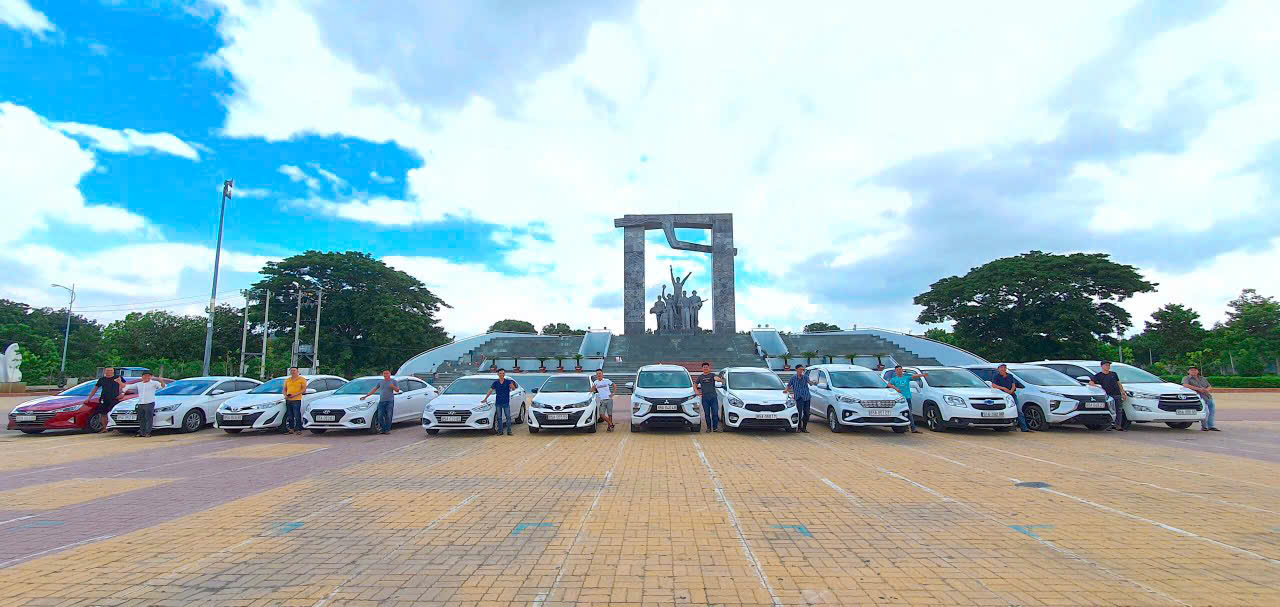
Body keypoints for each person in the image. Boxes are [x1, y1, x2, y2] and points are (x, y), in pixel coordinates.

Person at [886, 365, 927, 433]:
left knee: (909, 413)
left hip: (907, 398)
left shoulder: (906, 377)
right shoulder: (894, 379)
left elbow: (914, 376)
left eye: (900, 369)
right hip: (899, 399)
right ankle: (906, 427)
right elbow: (889, 385)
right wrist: (895, 388)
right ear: (896, 371)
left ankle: (913, 428)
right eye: (898, 370)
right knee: (902, 413)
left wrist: (922, 375)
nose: (900, 371)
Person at [122, 371, 163, 438]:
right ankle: (142, 432)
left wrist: (161, 381)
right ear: (142, 376)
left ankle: (148, 432)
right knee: (141, 419)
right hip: (141, 403)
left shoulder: (154, 383)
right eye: (145, 375)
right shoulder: (139, 384)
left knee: (149, 418)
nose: (146, 377)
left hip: (149, 403)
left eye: (148, 375)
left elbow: (162, 387)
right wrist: (119, 382)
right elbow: (127, 386)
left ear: (150, 376)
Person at [1089, 360, 1126, 431]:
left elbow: (1119, 383)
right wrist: (1098, 387)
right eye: (1106, 365)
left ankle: (1118, 425)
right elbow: (1091, 383)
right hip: (1107, 395)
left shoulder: (1114, 374)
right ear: (1102, 366)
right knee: (1108, 410)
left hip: (1116, 394)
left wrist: (1123, 392)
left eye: (1108, 365)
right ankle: (1108, 425)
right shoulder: (1098, 375)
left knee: (1119, 410)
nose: (1108, 367)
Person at [990, 364, 1029, 432]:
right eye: (1001, 368)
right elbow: (993, 385)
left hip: (1012, 395)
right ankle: (1010, 427)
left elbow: (1013, 385)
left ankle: (1024, 428)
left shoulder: (1010, 376)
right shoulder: (996, 376)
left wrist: (1011, 391)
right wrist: (1003, 388)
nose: (1003, 369)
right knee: (1007, 411)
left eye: (1004, 367)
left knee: (1019, 410)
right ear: (998, 369)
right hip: (1002, 396)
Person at [85, 367, 125, 433]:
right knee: (103, 414)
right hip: (104, 398)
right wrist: (89, 398)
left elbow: (124, 386)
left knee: (113, 413)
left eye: (110, 370)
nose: (109, 372)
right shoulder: (102, 379)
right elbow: (95, 389)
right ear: (105, 371)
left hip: (114, 398)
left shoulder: (118, 377)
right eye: (107, 370)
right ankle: (104, 428)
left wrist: (122, 394)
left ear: (113, 371)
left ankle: (115, 428)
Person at [361, 370, 401, 434]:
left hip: (389, 401)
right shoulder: (381, 382)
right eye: (384, 374)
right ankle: (383, 429)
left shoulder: (394, 381)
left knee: (389, 416)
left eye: (387, 373)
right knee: (380, 416)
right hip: (382, 401)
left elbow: (397, 390)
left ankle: (387, 430)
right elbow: (374, 389)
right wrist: (366, 396)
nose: (385, 375)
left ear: (390, 374)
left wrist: (393, 387)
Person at [482, 369, 518, 436]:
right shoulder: (496, 382)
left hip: (506, 402)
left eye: (503, 373)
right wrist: (485, 398)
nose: (502, 375)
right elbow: (490, 390)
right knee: (499, 417)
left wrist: (512, 386)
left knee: (508, 417)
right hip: (498, 402)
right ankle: (500, 431)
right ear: (498, 374)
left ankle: (509, 431)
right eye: (500, 373)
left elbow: (513, 388)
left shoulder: (508, 381)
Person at [1182, 366, 1218, 431]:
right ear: (1188, 371)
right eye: (1191, 370)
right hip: (1199, 397)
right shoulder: (1186, 378)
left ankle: (1211, 426)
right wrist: (1198, 389)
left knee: (1211, 412)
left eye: (1195, 370)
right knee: (1205, 412)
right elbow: (1185, 385)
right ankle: (1204, 426)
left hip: (1207, 396)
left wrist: (1207, 390)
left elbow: (1209, 386)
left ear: (1198, 371)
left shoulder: (1202, 378)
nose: (1193, 371)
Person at [694, 362, 723, 432]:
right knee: (707, 414)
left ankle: (715, 428)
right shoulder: (700, 377)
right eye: (704, 367)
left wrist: (719, 379)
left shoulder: (712, 375)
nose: (705, 368)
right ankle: (708, 428)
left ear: (709, 368)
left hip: (713, 397)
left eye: (707, 367)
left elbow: (717, 378)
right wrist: (697, 393)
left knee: (715, 413)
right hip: (705, 398)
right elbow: (695, 385)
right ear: (702, 368)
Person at [784, 364, 812, 432]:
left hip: (806, 397)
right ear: (796, 370)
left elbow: (810, 383)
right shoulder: (793, 378)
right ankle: (799, 427)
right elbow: (789, 385)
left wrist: (813, 382)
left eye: (802, 370)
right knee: (799, 413)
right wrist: (785, 391)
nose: (801, 371)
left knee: (807, 413)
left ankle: (804, 427)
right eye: (800, 369)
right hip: (798, 398)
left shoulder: (805, 377)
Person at [283, 367, 306, 435]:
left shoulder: (301, 379)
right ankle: (291, 429)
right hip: (288, 399)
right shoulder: (287, 380)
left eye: (294, 370)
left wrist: (295, 394)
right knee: (290, 415)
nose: (293, 372)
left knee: (297, 415)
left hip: (296, 399)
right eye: (291, 370)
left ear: (297, 371)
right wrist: (285, 395)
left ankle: (298, 429)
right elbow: (284, 389)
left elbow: (303, 389)